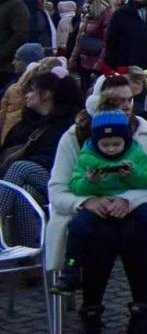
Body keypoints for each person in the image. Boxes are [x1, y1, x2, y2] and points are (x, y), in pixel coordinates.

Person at [47, 75, 147, 334]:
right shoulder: (75, 136)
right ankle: (90, 318)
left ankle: (141, 318)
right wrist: (88, 201)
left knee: (135, 235)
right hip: (90, 212)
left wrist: (129, 200)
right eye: (118, 101)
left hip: (135, 209)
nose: (127, 107)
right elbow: (57, 189)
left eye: (130, 100)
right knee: (97, 237)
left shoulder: (145, 132)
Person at [0, 66, 81, 244]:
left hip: (62, 183)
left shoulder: (69, 124)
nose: (27, 95)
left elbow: (58, 161)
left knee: (21, 167)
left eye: (31, 90)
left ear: (46, 94)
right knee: (25, 195)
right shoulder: (26, 123)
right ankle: (29, 253)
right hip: (27, 183)